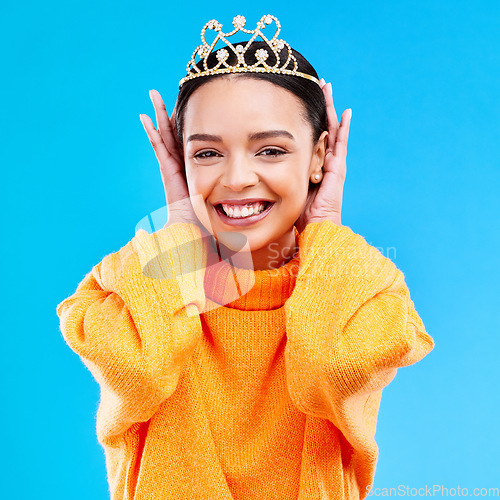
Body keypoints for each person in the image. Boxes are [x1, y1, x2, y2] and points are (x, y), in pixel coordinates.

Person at [56, 14, 435, 500]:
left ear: (320, 156)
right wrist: (178, 233)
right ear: (182, 161)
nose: (236, 178)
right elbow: (138, 371)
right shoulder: (131, 288)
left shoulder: (365, 296)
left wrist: (325, 226)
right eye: (207, 154)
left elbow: (326, 369)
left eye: (271, 150)